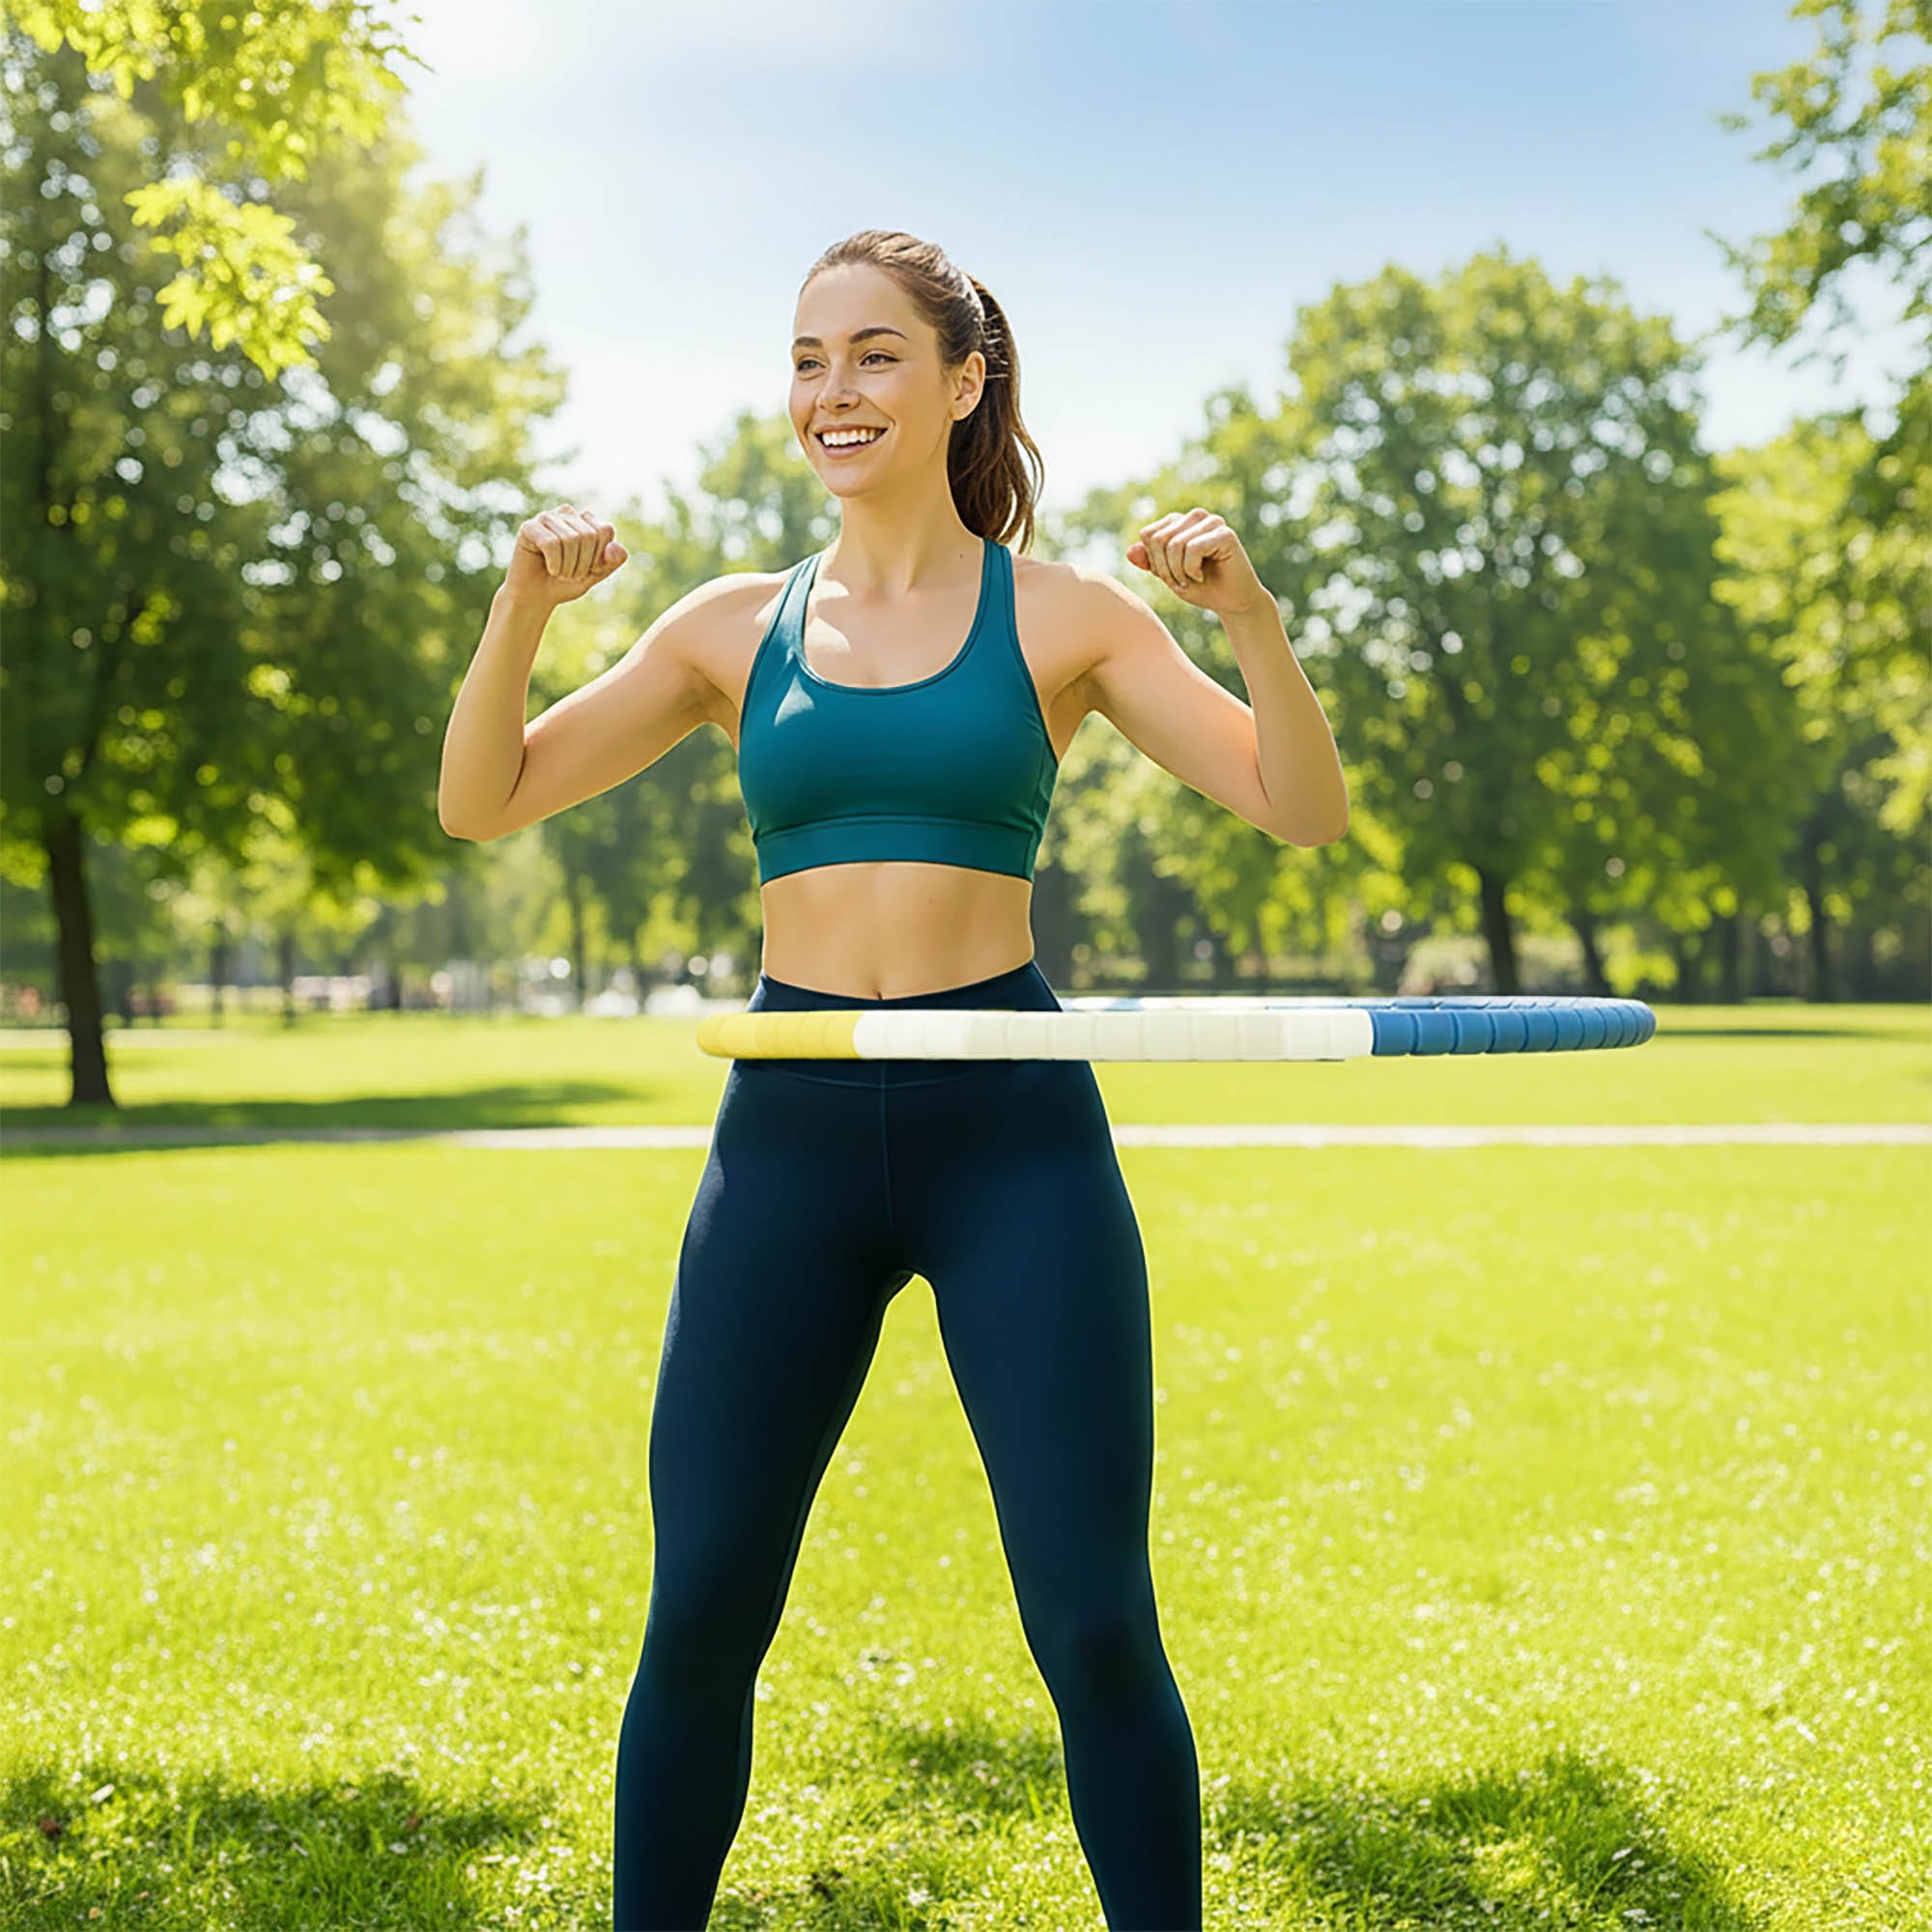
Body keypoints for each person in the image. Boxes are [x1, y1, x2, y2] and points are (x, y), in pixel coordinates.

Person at [442, 225, 1345, 1931]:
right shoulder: (731, 629)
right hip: (786, 1140)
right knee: (704, 1603)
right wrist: (520, 611)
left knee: (1089, 1613)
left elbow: (1297, 808)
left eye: (870, 355)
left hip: (1010, 1140)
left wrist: (1251, 620)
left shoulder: (1064, 612)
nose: (830, 392)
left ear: (961, 382)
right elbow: (483, 803)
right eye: (806, 360)